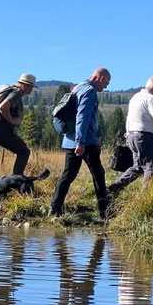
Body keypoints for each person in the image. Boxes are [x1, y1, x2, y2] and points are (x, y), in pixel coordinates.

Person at [50, 67, 112, 219]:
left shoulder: (78, 87)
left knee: (68, 175)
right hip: (84, 142)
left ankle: (55, 209)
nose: (106, 87)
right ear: (101, 78)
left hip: (70, 140)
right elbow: (82, 117)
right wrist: (81, 142)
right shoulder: (89, 91)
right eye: (107, 83)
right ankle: (104, 211)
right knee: (98, 174)